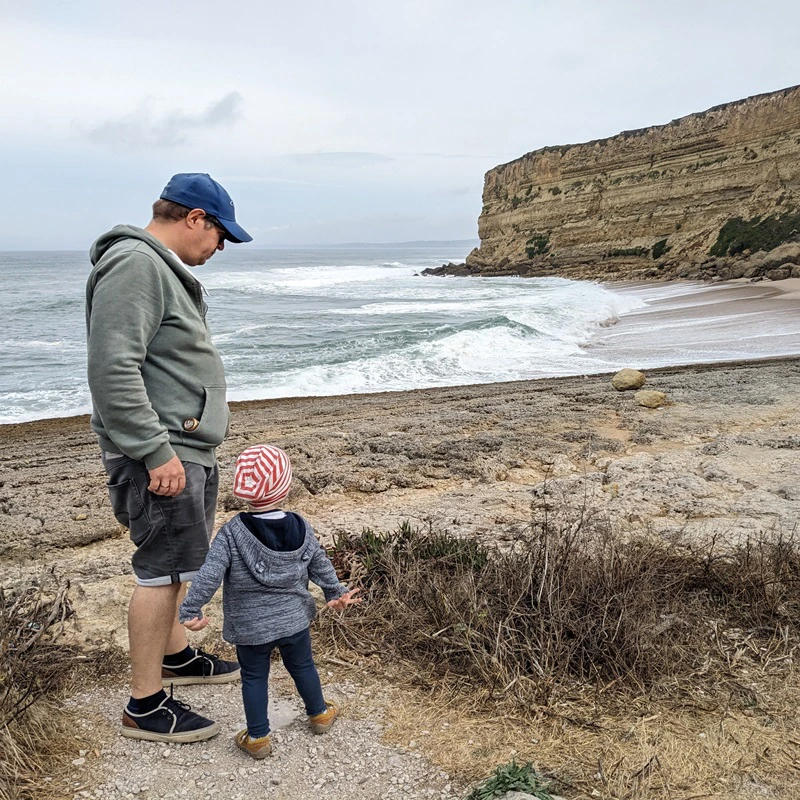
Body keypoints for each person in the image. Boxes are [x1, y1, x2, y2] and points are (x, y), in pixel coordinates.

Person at [86, 173, 253, 743]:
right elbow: (113, 368)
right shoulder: (135, 264)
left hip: (183, 446)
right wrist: (155, 452)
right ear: (195, 218)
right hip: (162, 451)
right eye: (221, 235)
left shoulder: (158, 267)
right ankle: (144, 704)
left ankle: (176, 656)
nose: (221, 247)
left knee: (182, 564)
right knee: (161, 572)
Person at [179, 444, 362, 759]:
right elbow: (320, 564)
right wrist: (335, 591)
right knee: (303, 666)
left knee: (254, 677)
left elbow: (209, 574)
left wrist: (191, 608)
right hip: (294, 620)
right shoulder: (301, 526)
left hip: (251, 627)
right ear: (285, 487)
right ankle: (319, 714)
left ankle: (258, 738)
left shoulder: (232, 533)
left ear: (243, 490)